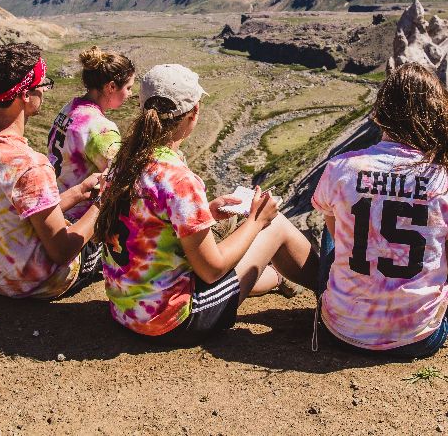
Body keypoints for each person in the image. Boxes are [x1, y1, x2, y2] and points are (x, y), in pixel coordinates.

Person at [94, 63, 319, 344]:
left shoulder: (124, 161)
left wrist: (207, 211)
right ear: (194, 113)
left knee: (245, 230)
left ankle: (283, 280)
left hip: (126, 309)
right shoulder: (177, 178)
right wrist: (257, 221)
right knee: (276, 227)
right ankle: (332, 296)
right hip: (171, 320)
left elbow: (146, 224)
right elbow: (211, 270)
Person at [311, 61, 448, 356]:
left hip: (341, 330)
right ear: (437, 116)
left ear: (379, 115)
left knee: (336, 224)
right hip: (418, 338)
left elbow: (340, 239)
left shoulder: (340, 168)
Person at [0, 42, 102, 299]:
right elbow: (62, 251)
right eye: (43, 85)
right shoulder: (29, 164)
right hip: (36, 283)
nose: (44, 92)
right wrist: (103, 204)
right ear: (25, 94)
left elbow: (24, 210)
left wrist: (80, 191)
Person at [48, 46, 134, 222]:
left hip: (56, 206)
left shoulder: (69, 107)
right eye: (128, 87)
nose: (130, 94)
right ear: (111, 87)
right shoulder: (101, 129)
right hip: (78, 220)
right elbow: (121, 179)